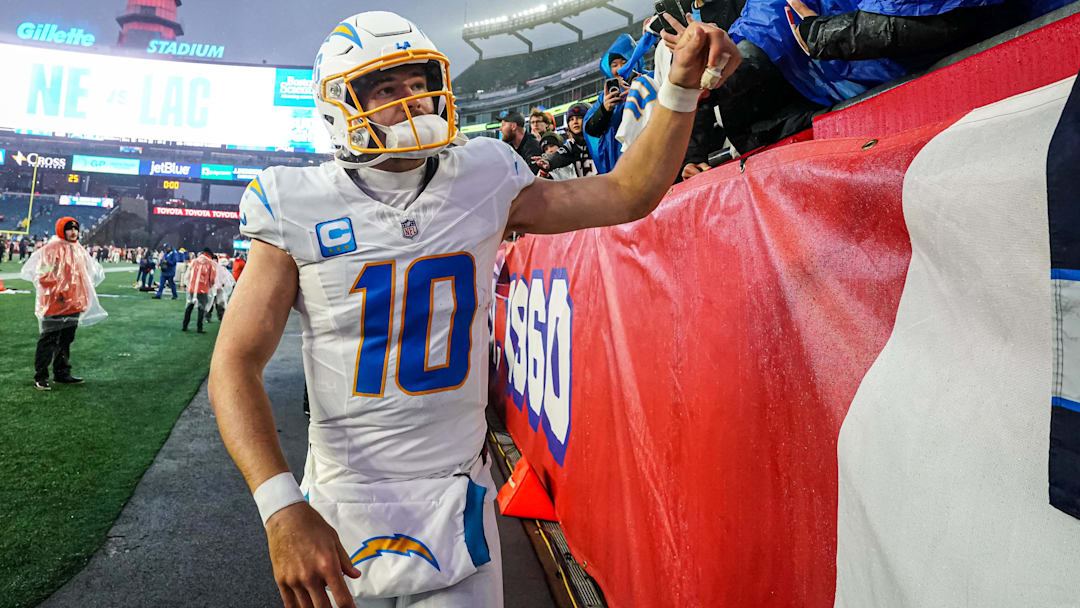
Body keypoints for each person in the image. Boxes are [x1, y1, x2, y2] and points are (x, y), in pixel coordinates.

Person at [208, 10, 737, 608]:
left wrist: (680, 85)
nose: (412, 100)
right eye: (385, 88)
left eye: (418, 82)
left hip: (456, 492)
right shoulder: (296, 202)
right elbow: (235, 363)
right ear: (338, 106)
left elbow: (627, 192)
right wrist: (280, 509)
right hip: (340, 500)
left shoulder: (481, 176)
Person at [21, 217, 107, 390]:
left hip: (74, 304)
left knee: (66, 340)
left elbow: (85, 275)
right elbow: (43, 275)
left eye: (75, 229)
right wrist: (59, 292)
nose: (73, 232)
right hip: (55, 303)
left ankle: (62, 373)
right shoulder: (51, 250)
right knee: (48, 340)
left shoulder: (78, 249)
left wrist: (81, 296)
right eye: (69, 229)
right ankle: (41, 376)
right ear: (62, 230)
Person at [534, 103, 596, 180]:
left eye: (579, 118)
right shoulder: (571, 146)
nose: (575, 122)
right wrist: (548, 162)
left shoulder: (600, 141)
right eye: (571, 119)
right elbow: (559, 155)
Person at [182, 248, 217, 333]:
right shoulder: (210, 263)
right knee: (201, 308)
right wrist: (210, 286)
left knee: (189, 307)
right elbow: (212, 278)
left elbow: (187, 275)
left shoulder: (194, 261)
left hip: (192, 288)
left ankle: (184, 326)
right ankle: (199, 328)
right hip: (203, 289)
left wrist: (190, 284)